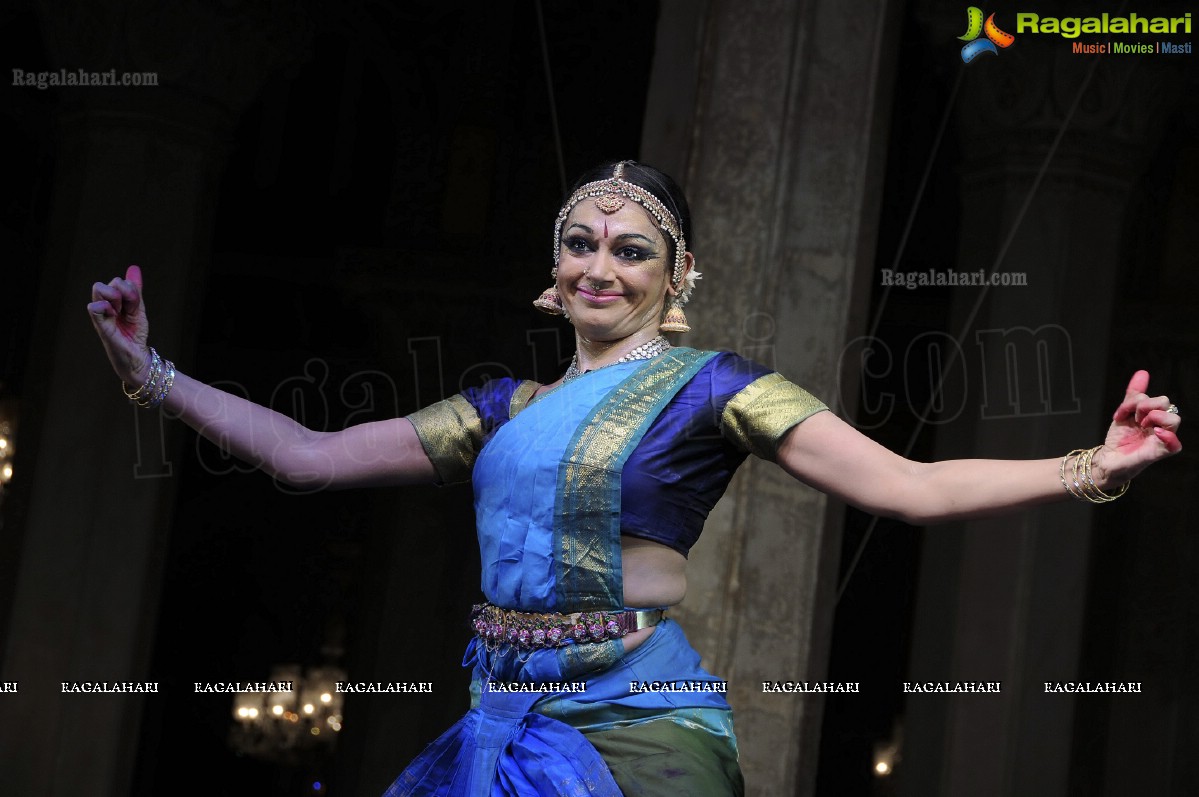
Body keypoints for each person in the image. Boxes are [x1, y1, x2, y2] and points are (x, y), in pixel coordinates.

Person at [88, 160, 1182, 796]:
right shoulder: (498, 407)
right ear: (552, 268)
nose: (597, 264)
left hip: (638, 728)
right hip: (497, 722)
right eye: (578, 242)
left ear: (677, 274)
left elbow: (906, 487)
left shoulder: (720, 391)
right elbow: (306, 454)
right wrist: (151, 368)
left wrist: (1095, 462)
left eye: (629, 248)